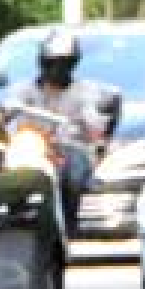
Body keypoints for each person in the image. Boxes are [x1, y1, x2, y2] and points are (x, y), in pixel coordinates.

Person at [11, 29, 118, 226]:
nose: (56, 69)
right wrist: (4, 113)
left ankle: (68, 223)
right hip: (33, 150)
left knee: (72, 171)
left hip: (71, 148)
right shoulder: (24, 91)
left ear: (72, 65)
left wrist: (94, 127)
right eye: (51, 63)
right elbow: (6, 113)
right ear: (42, 62)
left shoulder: (85, 92)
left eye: (63, 64)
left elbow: (94, 123)